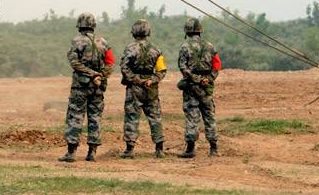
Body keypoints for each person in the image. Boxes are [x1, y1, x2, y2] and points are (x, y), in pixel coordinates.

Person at [58, 12, 115, 162]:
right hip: (97, 87)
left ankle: (71, 153)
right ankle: (92, 153)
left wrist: (91, 74)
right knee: (95, 117)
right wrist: (99, 76)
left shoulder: (76, 41)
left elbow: (74, 63)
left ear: (80, 25)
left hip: (80, 87)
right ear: (93, 25)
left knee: (75, 116)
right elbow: (110, 63)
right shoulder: (103, 42)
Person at [119, 19, 167, 159]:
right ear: (148, 32)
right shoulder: (156, 49)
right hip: (151, 87)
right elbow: (161, 70)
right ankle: (159, 149)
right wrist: (152, 80)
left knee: (132, 117)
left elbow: (124, 68)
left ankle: (129, 149)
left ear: (134, 32)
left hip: (135, 88)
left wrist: (137, 80)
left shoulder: (130, 48)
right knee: (155, 117)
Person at [177, 17, 222, 158]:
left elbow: (183, 67)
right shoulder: (210, 46)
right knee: (209, 116)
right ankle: (214, 149)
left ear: (187, 31)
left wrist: (196, 79)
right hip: (206, 88)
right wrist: (207, 80)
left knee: (192, 116)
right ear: (200, 31)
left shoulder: (185, 47)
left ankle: (190, 150)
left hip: (191, 87)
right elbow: (217, 65)